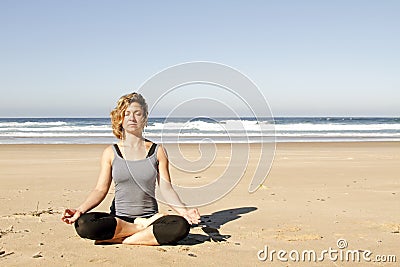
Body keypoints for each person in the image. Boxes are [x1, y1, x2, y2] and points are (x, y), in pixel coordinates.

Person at [61, 92, 200, 245]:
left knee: (181, 226)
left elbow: (166, 189)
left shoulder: (158, 151)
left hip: (149, 217)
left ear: (144, 118)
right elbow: (100, 190)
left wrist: (183, 212)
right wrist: (80, 210)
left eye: (137, 113)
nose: (132, 118)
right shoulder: (110, 153)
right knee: (83, 224)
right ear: (120, 118)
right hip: (119, 220)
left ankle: (121, 238)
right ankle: (141, 231)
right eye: (127, 114)